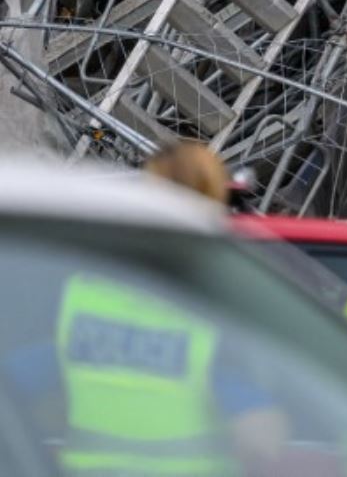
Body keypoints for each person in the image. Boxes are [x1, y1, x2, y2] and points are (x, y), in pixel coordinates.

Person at [55, 141, 283, 475]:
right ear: (213, 193)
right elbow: (259, 434)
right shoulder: (213, 301)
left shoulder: (84, 291)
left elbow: (35, 381)